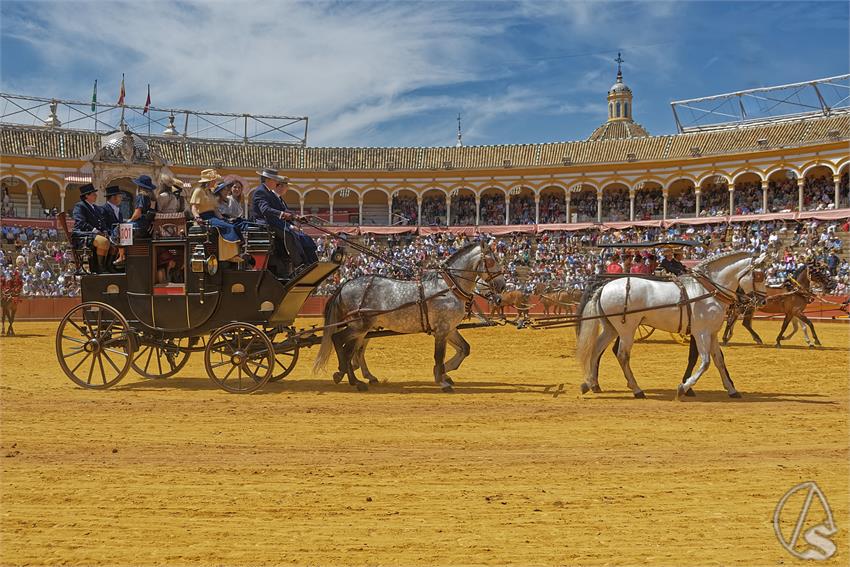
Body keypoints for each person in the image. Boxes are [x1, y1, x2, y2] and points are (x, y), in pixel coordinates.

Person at [251, 168, 318, 271]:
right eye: (275, 180)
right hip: (264, 223)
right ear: (268, 180)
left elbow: (282, 209)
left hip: (272, 221)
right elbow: (265, 210)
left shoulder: (267, 192)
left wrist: (296, 217)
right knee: (289, 234)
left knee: (292, 233)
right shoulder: (260, 191)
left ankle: (304, 261)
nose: (277, 183)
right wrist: (282, 214)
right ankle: (298, 264)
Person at [189, 169, 241, 243]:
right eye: (214, 180)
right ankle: (230, 245)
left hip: (213, 216)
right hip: (205, 217)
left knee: (233, 224)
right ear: (209, 181)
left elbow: (215, 209)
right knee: (229, 227)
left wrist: (223, 219)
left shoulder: (210, 192)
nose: (215, 182)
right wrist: (198, 218)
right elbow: (194, 208)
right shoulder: (199, 191)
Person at [71, 183, 112, 273]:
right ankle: (100, 268)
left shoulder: (95, 207)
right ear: (87, 196)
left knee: (113, 241)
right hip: (83, 235)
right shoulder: (80, 206)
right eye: (93, 194)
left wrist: (104, 231)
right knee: (103, 241)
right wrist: (96, 231)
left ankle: (108, 266)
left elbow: (102, 221)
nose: (96, 196)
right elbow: (81, 222)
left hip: (94, 234)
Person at [98, 185, 125, 267]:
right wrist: (111, 235)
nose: (121, 199)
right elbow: (103, 225)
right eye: (119, 196)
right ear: (113, 197)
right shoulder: (103, 209)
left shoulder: (119, 211)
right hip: (110, 236)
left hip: (119, 237)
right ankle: (109, 265)